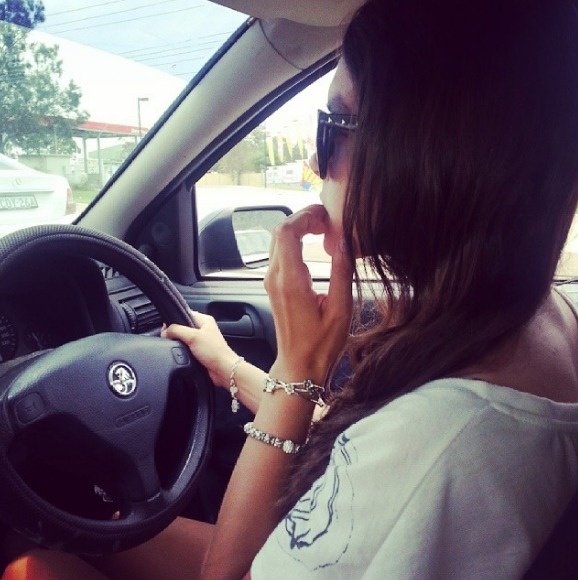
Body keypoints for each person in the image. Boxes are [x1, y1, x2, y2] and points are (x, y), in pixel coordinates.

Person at [4, 0, 578, 577]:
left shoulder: (440, 441)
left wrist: (298, 363)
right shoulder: (536, 319)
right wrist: (233, 368)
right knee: (89, 530)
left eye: (333, 128)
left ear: (429, 150)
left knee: (37, 565)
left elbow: (227, 574)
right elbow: (358, 442)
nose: (312, 158)